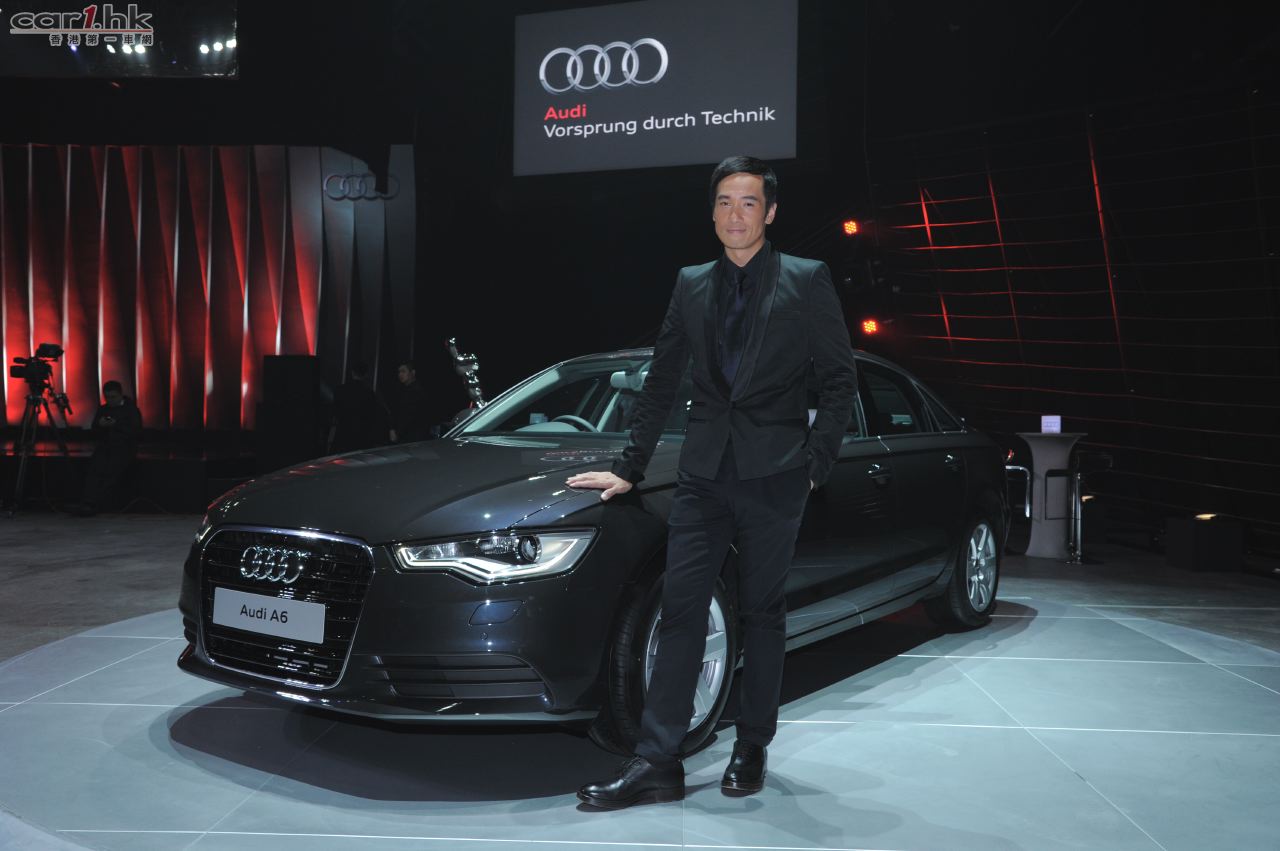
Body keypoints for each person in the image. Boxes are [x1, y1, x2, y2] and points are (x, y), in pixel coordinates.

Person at [571, 156, 857, 808]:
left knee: (762, 614)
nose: (735, 214)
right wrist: (630, 466)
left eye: (748, 202)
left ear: (770, 212)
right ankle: (657, 761)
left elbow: (840, 379)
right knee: (681, 613)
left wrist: (815, 463)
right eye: (725, 202)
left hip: (776, 475)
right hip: (702, 475)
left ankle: (751, 744)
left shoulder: (806, 279)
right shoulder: (691, 282)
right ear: (712, 212)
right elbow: (662, 379)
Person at [78, 380, 142, 515]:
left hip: (124, 448)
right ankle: (89, 502)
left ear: (120, 395)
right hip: (106, 446)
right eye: (107, 397)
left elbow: (135, 431)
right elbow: (94, 429)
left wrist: (115, 425)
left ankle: (98, 504)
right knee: (94, 470)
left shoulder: (131, 410)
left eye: (113, 397)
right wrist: (100, 425)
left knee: (111, 472)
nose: (110, 400)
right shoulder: (103, 409)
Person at [328, 361, 392, 453]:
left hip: (343, 433)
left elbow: (335, 411)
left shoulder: (340, 390)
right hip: (361, 435)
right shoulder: (369, 393)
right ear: (365, 375)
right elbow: (372, 415)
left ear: (352, 372)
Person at [391, 360, 431, 443]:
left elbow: (408, 416)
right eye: (399, 372)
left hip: (413, 438)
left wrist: (397, 432)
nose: (400, 374)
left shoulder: (416, 391)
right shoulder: (404, 390)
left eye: (403, 371)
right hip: (409, 437)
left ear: (412, 373)